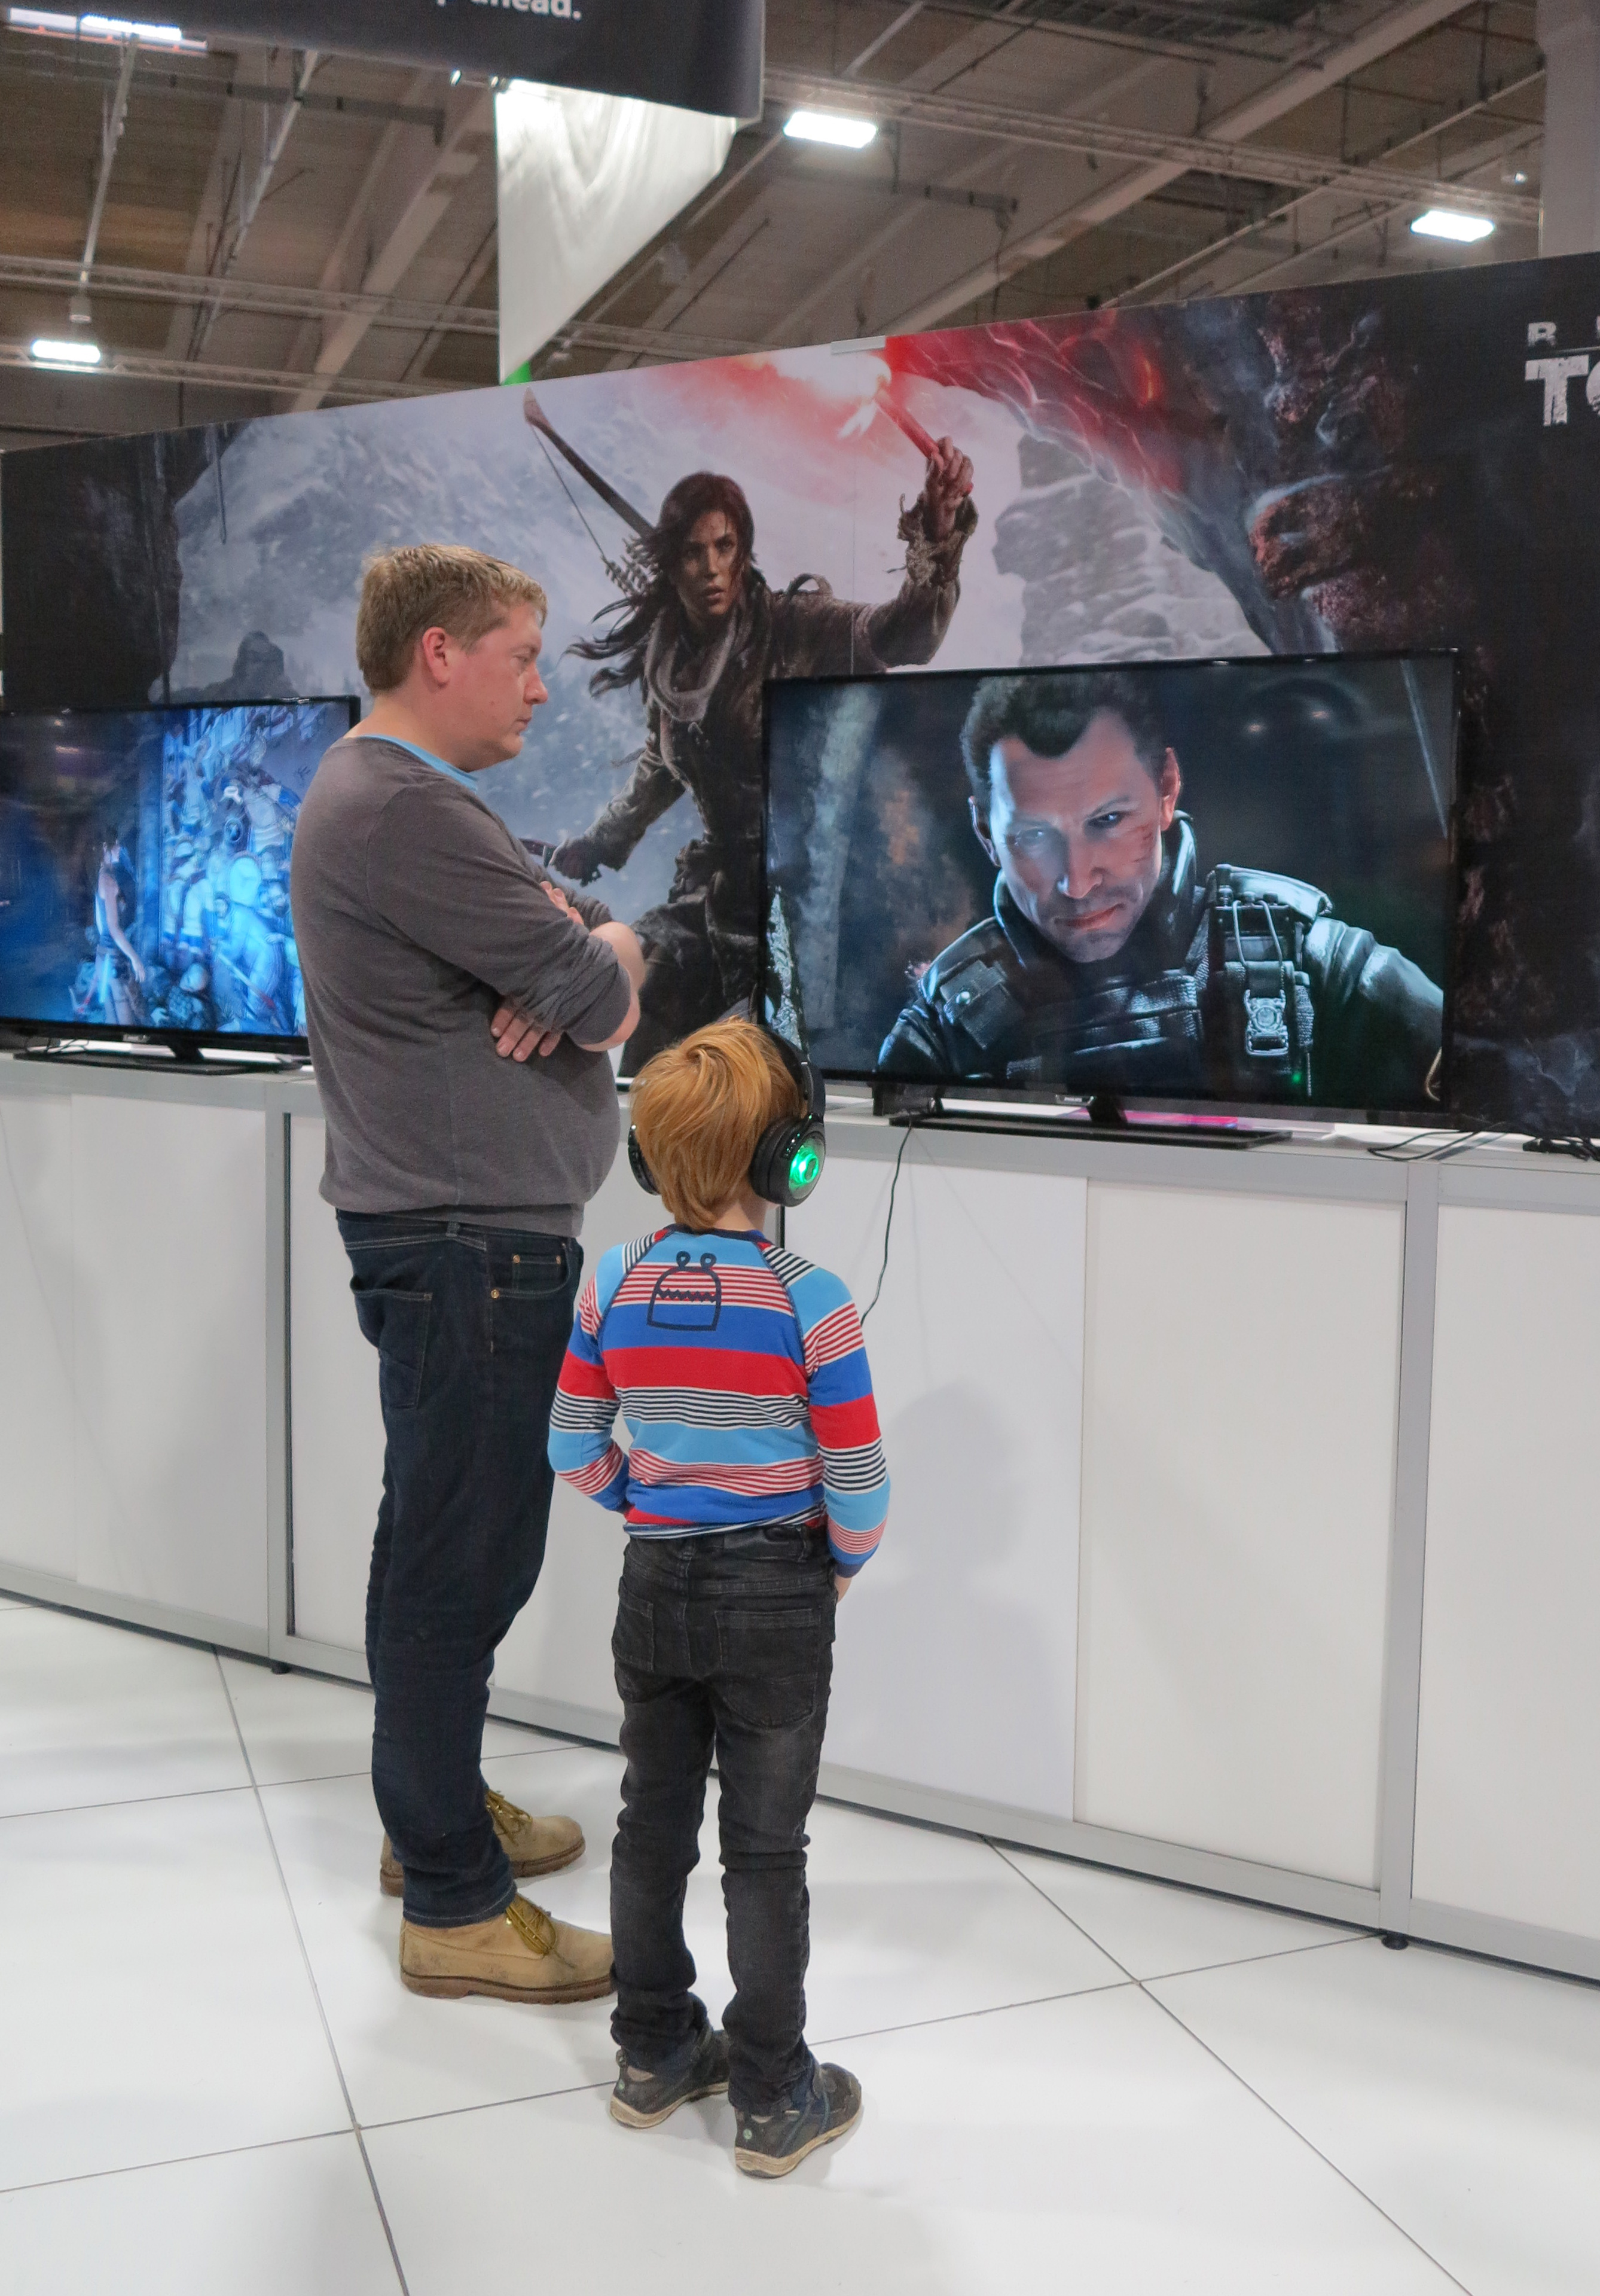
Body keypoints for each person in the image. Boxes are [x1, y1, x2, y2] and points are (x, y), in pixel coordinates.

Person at [291, 543, 646, 2007]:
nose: (538, 685)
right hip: (467, 1249)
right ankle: (451, 1895)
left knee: (442, 1539)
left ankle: (430, 1812)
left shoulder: (400, 803)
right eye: (520, 654)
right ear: (439, 651)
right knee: (462, 1554)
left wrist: (587, 949)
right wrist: (597, 954)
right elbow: (600, 993)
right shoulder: (404, 810)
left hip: (459, 1244)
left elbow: (583, 965)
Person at [549, 1017, 890, 2178]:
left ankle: (649, 2055)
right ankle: (773, 2092)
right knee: (764, 1849)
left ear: (649, 1156)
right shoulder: (813, 1300)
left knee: (650, 1824)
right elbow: (859, 1479)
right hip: (777, 1595)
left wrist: (645, 1499)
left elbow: (571, 1443)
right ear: (787, 1156)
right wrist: (840, 1559)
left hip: (655, 1588)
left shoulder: (612, 1280)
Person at [551, 451, 977, 1068]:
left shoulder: (794, 628)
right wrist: (598, 843)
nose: (711, 568)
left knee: (755, 1069)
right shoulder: (668, 658)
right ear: (671, 563)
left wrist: (937, 535)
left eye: (724, 547)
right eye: (693, 552)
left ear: (743, 551)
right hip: (717, 888)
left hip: (799, 894)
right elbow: (663, 764)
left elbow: (905, 634)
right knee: (652, 1022)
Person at [880, 670, 1443, 1107]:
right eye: (1033, 836)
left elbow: (1478, 1094)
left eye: (1108, 821)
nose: (1077, 881)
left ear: (1167, 788)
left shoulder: (1312, 963)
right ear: (985, 833)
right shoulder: (945, 1027)